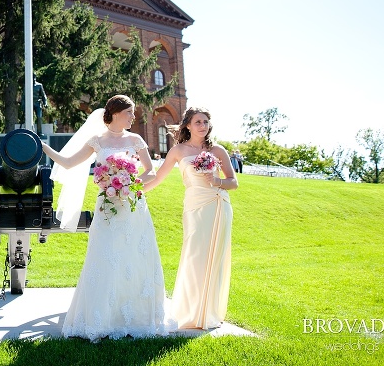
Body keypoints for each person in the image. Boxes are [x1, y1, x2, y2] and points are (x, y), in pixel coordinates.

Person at [41, 95, 171, 340]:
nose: (134, 117)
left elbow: (150, 173)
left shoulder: (136, 139)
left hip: (133, 207)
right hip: (107, 208)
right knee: (104, 257)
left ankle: (135, 320)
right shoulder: (97, 141)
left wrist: (128, 186)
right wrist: (46, 148)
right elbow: (68, 163)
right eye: (130, 113)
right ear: (115, 113)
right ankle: (102, 320)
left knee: (134, 258)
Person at [144, 107, 237, 329]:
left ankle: (209, 312)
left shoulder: (218, 150)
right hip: (195, 207)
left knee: (215, 257)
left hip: (218, 205)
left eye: (206, 121)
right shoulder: (178, 151)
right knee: (194, 255)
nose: (203, 125)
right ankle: (189, 312)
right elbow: (157, 178)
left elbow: (233, 182)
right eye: (198, 122)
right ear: (187, 125)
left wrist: (217, 182)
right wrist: (134, 191)